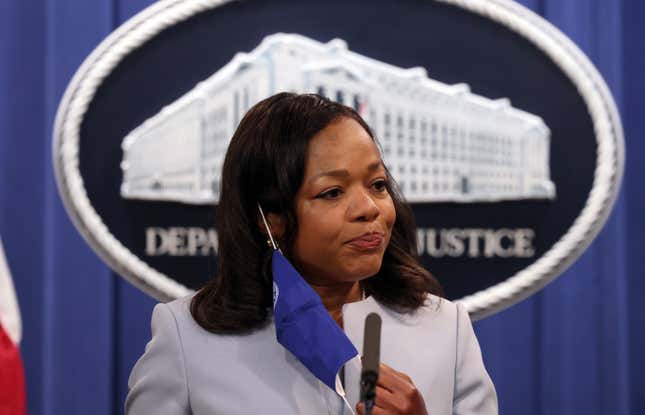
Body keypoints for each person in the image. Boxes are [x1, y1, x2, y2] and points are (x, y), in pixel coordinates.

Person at [125, 93, 497, 414]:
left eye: (378, 184)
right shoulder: (187, 337)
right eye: (333, 192)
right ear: (270, 218)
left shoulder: (446, 328)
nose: (369, 208)